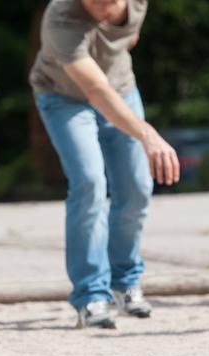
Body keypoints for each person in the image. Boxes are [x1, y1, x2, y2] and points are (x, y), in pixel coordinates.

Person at [29, 0, 180, 329]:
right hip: (62, 97)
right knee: (90, 183)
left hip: (122, 90)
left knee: (137, 188)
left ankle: (124, 282)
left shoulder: (138, 4)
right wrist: (148, 135)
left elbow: (129, 35)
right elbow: (95, 90)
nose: (99, 3)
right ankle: (91, 295)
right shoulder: (61, 17)